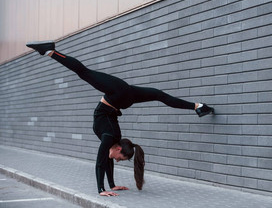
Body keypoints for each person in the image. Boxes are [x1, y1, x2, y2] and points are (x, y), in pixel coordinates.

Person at [26, 41, 214, 197]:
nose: (117, 161)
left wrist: (112, 185)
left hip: (125, 97)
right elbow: (101, 161)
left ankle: (198, 107)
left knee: (158, 95)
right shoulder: (109, 136)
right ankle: (50, 50)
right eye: (120, 158)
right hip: (119, 93)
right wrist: (101, 190)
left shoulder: (112, 138)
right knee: (83, 72)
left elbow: (106, 159)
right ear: (118, 148)